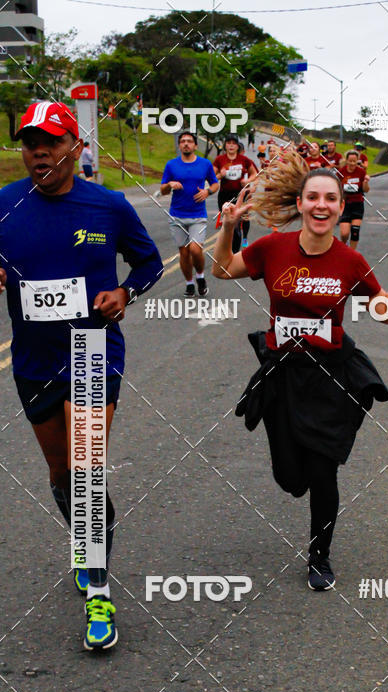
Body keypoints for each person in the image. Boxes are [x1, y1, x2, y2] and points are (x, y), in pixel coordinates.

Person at [211, 157, 388, 591]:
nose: (322, 205)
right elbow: (221, 269)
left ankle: (319, 555)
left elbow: (384, 313)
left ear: (341, 205)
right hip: (283, 375)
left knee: (324, 473)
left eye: (331, 198)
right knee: (292, 479)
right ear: (301, 202)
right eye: (314, 197)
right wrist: (229, 227)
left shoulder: (349, 260)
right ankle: (304, 475)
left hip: (330, 377)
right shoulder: (273, 248)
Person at [1, 101, 162, 648]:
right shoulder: (4, 204)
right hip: (31, 359)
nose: (38, 151)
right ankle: (86, 543)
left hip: (91, 348)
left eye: (49, 141)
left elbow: (148, 263)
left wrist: (125, 292)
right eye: (29, 142)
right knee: (61, 473)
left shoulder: (109, 206)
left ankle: (98, 589)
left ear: (75, 145)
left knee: (87, 472)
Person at [161, 131, 219, 298]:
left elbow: (215, 184)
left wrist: (208, 192)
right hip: (177, 215)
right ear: (179, 146)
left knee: (195, 249)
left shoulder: (205, 164)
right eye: (183, 141)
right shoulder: (171, 165)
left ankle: (200, 276)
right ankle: (189, 283)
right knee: (184, 252)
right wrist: (170, 184)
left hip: (197, 215)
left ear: (195, 145)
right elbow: (163, 190)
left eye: (189, 141)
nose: (186, 144)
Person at [213, 133, 258, 251]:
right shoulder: (220, 159)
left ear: (238, 146)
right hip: (224, 195)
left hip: (239, 195)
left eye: (234, 143)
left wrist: (248, 180)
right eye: (229, 143)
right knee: (227, 224)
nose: (231, 146)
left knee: (237, 225)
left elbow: (255, 174)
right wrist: (219, 175)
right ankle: (226, 249)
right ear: (225, 145)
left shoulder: (244, 160)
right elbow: (211, 177)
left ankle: (234, 253)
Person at [338, 150, 370, 249]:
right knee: (344, 233)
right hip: (345, 204)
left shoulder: (361, 172)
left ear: (357, 161)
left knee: (355, 231)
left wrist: (365, 182)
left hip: (357, 203)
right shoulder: (341, 172)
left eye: (354, 161)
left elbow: (366, 190)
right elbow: (337, 187)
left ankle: (352, 253)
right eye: (350, 161)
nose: (352, 163)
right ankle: (343, 247)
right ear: (346, 160)